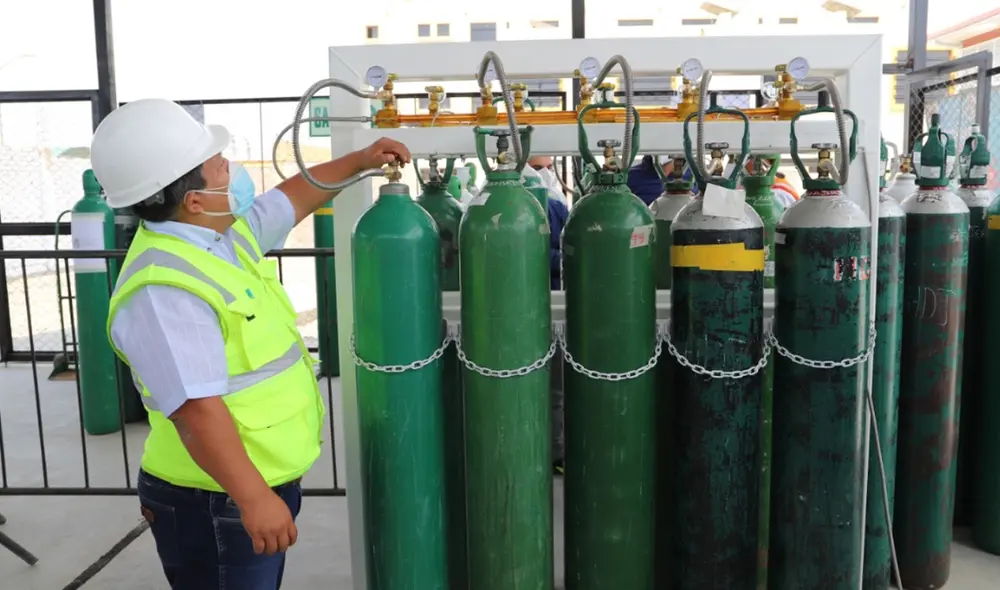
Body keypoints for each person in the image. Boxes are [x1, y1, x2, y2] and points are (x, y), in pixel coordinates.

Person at [90, 98, 410, 590]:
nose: (230, 168)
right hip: (215, 499)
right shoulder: (164, 287)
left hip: (249, 485)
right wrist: (253, 497)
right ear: (193, 200)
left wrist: (360, 160)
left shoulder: (221, 239)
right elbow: (196, 411)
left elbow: (294, 197)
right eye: (217, 165)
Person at [526, 156, 570, 473]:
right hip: (549, 299)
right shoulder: (549, 197)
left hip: (535, 302)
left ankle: (543, 449)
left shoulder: (550, 193)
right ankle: (555, 453)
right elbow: (558, 253)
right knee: (554, 387)